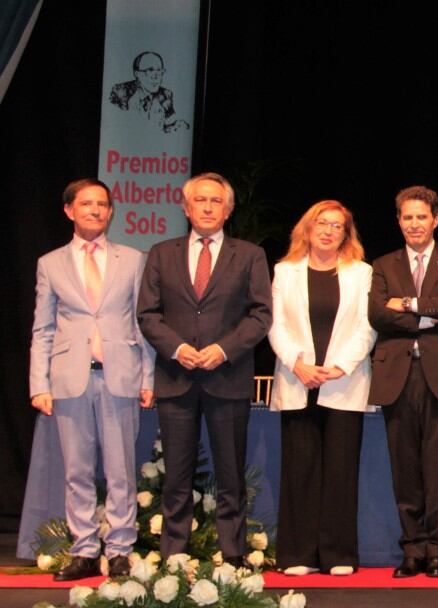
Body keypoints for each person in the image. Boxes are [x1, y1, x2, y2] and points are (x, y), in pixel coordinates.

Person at [137, 172, 272, 566]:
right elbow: (147, 314)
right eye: (201, 200)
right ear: (186, 207)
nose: (208, 207)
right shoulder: (161, 253)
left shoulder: (249, 255)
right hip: (177, 379)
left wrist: (223, 349)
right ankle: (173, 557)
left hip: (227, 379)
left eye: (216, 201)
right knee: (176, 478)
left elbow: (261, 315)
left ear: (228, 210)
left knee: (231, 476)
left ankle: (233, 556)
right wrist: (177, 348)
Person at [29, 179, 154, 581]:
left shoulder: (133, 260)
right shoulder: (50, 263)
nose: (96, 211)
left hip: (121, 376)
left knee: (121, 471)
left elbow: (144, 324)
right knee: (76, 472)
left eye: (102, 204)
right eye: (87, 204)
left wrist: (147, 378)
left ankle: (120, 550)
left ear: (111, 212)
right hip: (70, 380)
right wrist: (39, 385)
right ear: (70, 210)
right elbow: (42, 329)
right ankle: (83, 549)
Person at [367, 185, 438, 579]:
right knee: (406, 468)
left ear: (436, 219)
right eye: (407, 217)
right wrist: (434, 311)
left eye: (421, 217)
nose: (415, 224)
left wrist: (410, 304)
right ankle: (411, 549)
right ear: (399, 221)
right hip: (397, 376)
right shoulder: (383, 264)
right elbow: (377, 314)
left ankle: (437, 552)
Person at [267, 200, 376, 576]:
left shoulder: (361, 273)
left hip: (342, 382)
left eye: (338, 226)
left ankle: (338, 554)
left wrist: (339, 366)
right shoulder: (285, 271)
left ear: (347, 234)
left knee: (341, 471)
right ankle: (298, 554)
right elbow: (275, 325)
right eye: (323, 223)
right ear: (307, 228)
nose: (329, 231)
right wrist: (297, 363)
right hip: (298, 380)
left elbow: (368, 325)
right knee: (300, 469)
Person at [108, 51, 189, 133]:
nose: (156, 76)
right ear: (137, 74)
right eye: (150, 70)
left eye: (159, 71)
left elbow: (163, 127)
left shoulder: (165, 95)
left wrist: (174, 126)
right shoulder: (120, 92)